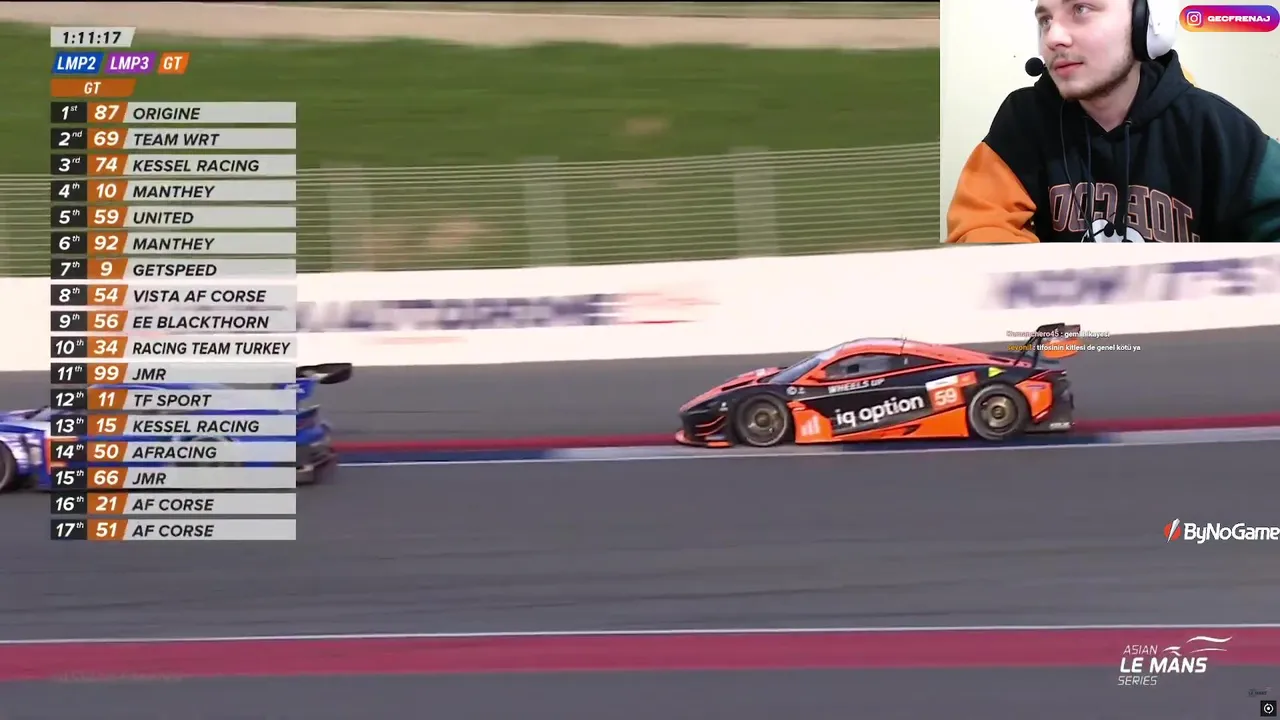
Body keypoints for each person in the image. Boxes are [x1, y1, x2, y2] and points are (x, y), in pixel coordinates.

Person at [945, 0, 1280, 242]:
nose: (1052, 37)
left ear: (1146, 22)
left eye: (1080, 9)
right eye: (1045, 19)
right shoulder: (1023, 119)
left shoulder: (1215, 128)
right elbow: (980, 227)